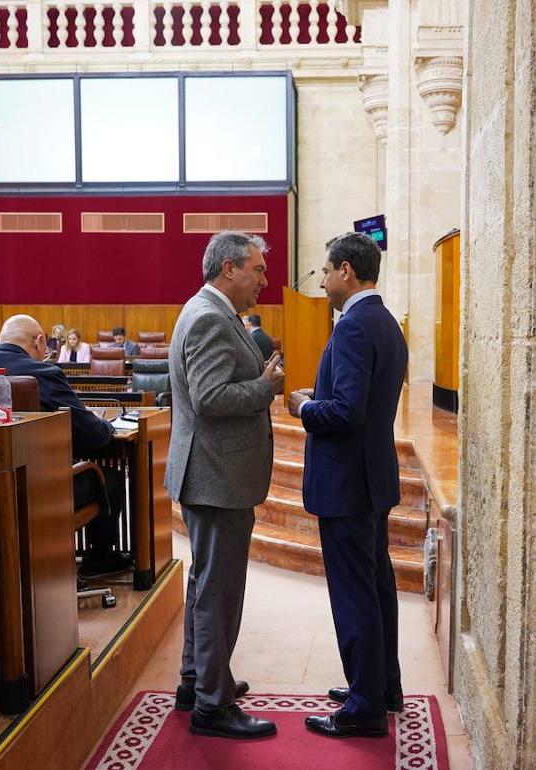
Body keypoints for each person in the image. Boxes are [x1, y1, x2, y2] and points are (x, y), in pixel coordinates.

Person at [287, 232, 408, 739]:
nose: (322, 282)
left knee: (355, 593)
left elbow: (347, 410)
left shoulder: (356, 326)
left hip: (348, 485)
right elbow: (363, 397)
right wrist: (324, 394)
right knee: (377, 586)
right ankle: (382, 686)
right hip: (371, 477)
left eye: (325, 272)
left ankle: (363, 708)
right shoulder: (386, 323)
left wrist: (304, 407)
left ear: (346, 272)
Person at [166, 231, 284, 739]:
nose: (264, 279)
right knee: (219, 592)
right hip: (216, 476)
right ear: (229, 268)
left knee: (205, 585)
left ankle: (198, 681)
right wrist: (266, 387)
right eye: (257, 269)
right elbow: (211, 397)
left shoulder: (208, 310)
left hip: (212, 472)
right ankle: (213, 706)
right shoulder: (211, 316)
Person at [0, 315, 126, 572]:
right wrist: (106, 425)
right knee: (109, 479)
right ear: (38, 341)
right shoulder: (43, 373)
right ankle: (100, 560)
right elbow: (92, 435)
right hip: (39, 489)